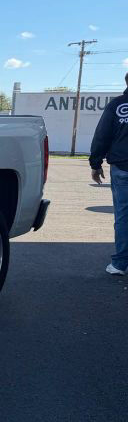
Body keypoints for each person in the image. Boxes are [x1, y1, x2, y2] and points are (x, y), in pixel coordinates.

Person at [89, 72, 128, 274]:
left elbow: (102, 135)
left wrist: (95, 163)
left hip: (123, 167)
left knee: (123, 215)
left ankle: (120, 264)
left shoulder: (117, 105)